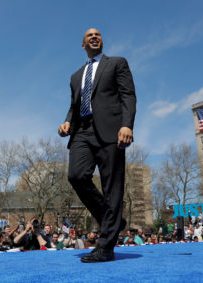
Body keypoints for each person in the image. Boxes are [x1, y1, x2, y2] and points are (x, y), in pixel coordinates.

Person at [58, 28, 136, 263]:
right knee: (76, 175)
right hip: (82, 131)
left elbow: (128, 95)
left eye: (98, 34)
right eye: (89, 35)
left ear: (101, 41)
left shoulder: (117, 63)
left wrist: (127, 125)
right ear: (83, 45)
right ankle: (111, 218)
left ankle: (106, 246)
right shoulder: (75, 76)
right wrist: (67, 122)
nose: (94, 37)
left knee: (112, 185)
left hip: (111, 129)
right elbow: (74, 105)